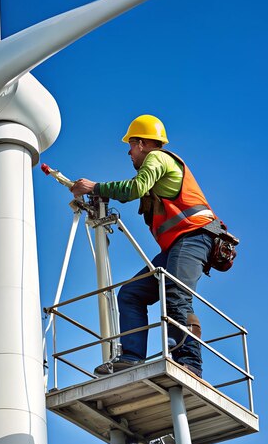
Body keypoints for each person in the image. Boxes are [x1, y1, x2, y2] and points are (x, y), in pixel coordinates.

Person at [71, 114, 223, 378]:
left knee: (176, 296)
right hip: (178, 245)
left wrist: (95, 187)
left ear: (141, 143)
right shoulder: (156, 168)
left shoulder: (157, 158)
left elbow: (134, 189)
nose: (129, 153)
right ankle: (131, 357)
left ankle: (189, 364)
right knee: (131, 293)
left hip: (193, 237)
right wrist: (100, 193)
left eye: (130, 145)